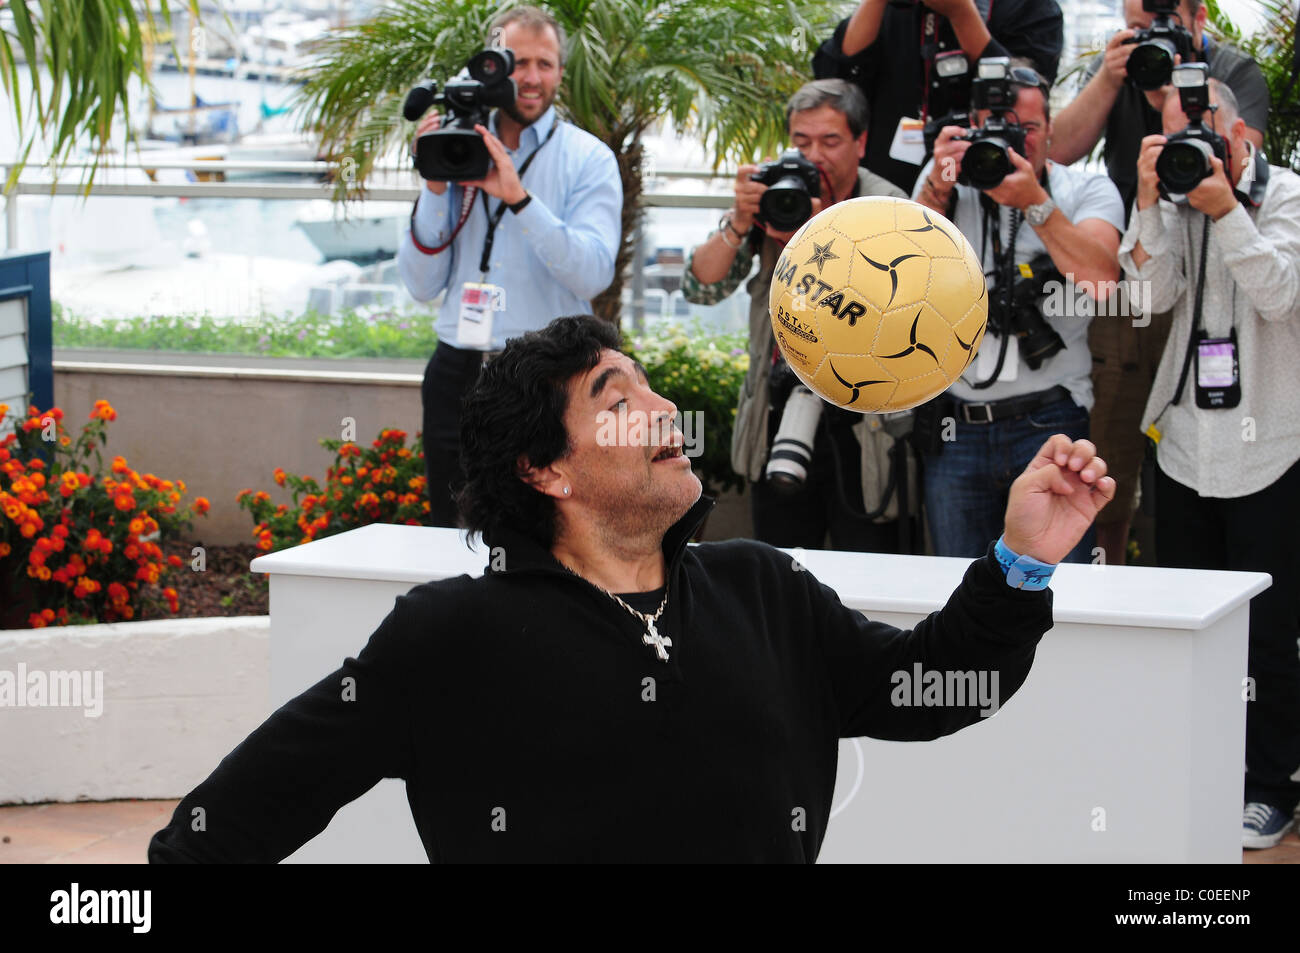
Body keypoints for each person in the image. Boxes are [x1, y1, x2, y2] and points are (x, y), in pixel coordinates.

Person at [148, 315, 1115, 863]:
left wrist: (1022, 560)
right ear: (545, 470)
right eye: (618, 399)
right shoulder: (450, 635)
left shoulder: (762, 587)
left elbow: (934, 687)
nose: (663, 409)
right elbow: (229, 824)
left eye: (651, 386)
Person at [1120, 80, 1300, 849]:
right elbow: (1144, 297)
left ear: (1243, 131)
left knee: (1270, 629)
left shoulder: (1287, 195)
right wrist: (1148, 201)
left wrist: (1226, 210)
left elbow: (1279, 294)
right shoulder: (1172, 196)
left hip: (1274, 445)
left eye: (1203, 124)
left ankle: (1272, 784)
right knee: (1191, 620)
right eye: (1174, 130)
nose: (1190, 139)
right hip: (1187, 441)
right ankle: (1199, 771)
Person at [1050, 0, 1269, 564]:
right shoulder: (1120, 68)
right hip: (1132, 270)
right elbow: (1057, 148)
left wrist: (1173, 103)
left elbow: (1242, 157)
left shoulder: (1232, 69)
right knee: (1112, 442)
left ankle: (1177, 562)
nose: (1152, 38)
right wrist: (1111, 77)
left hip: (1216, 272)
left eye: (1164, 25)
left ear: (1200, 18)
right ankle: (1113, 573)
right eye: (1139, 26)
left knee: (1204, 437)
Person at [397, 5, 622, 526]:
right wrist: (435, 186)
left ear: (561, 72)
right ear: (489, 68)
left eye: (545, 64)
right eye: (517, 62)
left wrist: (520, 199)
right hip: (458, 367)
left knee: (548, 528)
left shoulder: (588, 159)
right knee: (451, 528)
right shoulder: (456, 147)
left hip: (550, 375)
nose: (532, 77)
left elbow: (592, 274)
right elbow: (421, 284)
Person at [680, 79, 910, 553]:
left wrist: (818, 238)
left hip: (862, 416)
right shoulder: (775, 195)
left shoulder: (889, 207)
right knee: (781, 565)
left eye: (830, 141)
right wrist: (739, 221)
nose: (814, 156)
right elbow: (701, 287)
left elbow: (898, 312)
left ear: (861, 142)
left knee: (867, 567)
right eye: (801, 142)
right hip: (779, 408)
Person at [912, 62, 1124, 562]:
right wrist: (937, 186)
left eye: (1027, 128)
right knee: (960, 585)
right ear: (972, 126)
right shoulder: (948, 180)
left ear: (1051, 129)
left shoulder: (1087, 189)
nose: (1014, 142)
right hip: (958, 422)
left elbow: (1101, 281)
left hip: (1050, 417)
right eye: (998, 127)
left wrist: (1035, 203)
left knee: (1055, 585)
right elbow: (901, 278)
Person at [812, 0, 1064, 194]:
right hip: (889, 188)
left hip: (983, 184)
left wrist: (961, 13)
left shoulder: (1024, 7)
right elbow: (834, 86)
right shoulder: (892, 10)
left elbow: (1029, 91)